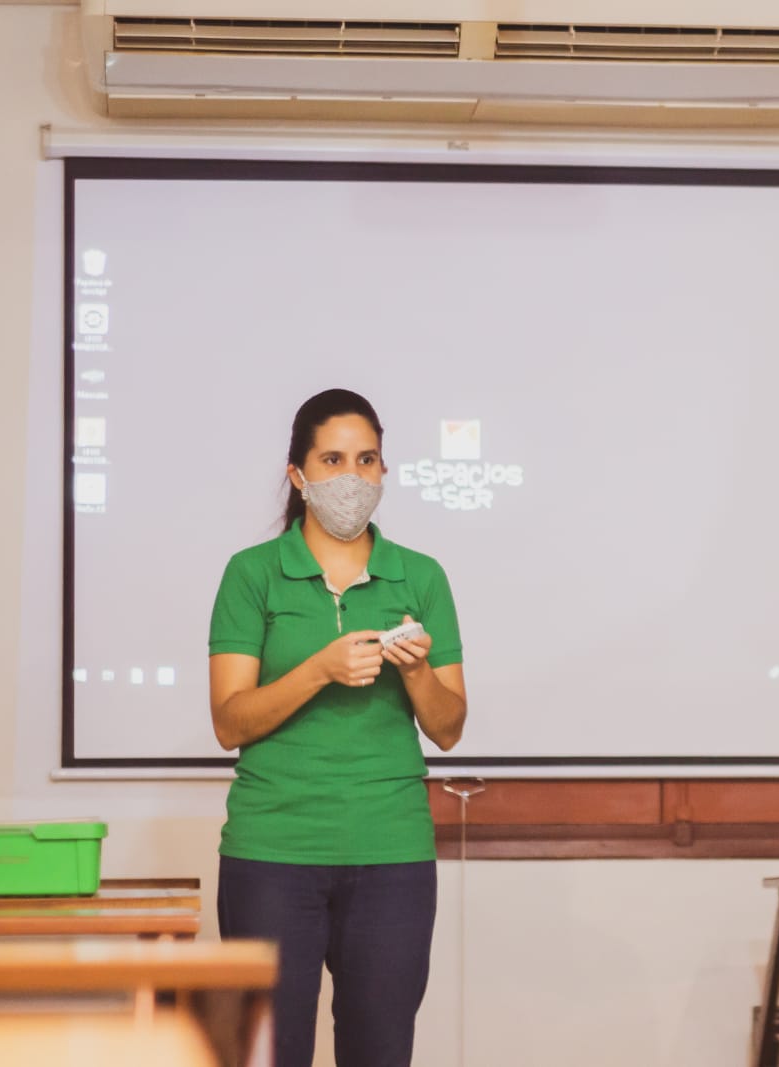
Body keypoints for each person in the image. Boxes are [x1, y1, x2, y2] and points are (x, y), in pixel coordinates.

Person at [208, 388, 468, 1067]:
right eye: (332, 459)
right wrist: (317, 669)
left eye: (367, 459)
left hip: (393, 852)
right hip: (273, 849)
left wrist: (414, 673)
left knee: (380, 1053)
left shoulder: (422, 575)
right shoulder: (252, 573)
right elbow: (228, 719)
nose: (351, 477)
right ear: (298, 475)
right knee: (270, 1052)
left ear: (384, 471)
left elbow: (448, 727)